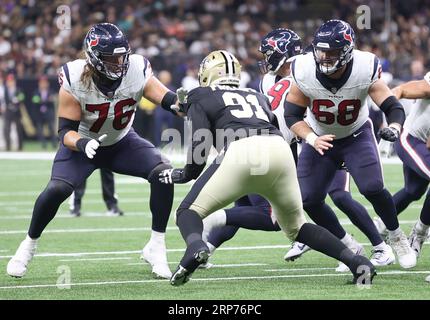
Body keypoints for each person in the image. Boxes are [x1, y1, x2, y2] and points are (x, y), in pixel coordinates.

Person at [158, 49, 375, 287]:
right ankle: (357, 263)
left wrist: (186, 173)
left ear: (208, 74)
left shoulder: (200, 94)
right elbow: (273, 127)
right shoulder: (257, 95)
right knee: (297, 227)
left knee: (187, 212)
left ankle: (196, 247)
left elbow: (200, 142)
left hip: (242, 151)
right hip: (278, 150)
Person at [203, 28, 394, 272]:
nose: (265, 59)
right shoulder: (268, 79)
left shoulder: (309, 69)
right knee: (275, 200)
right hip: (295, 146)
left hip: (328, 139)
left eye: (269, 53)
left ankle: (379, 246)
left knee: (339, 195)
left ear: (284, 52)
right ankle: (207, 248)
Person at [6, 23, 182, 280]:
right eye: (113, 59)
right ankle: (28, 245)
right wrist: (82, 144)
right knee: (58, 189)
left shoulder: (136, 68)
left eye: (123, 56)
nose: (120, 63)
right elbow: (65, 132)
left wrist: (184, 104)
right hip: (84, 145)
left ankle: (156, 246)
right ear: (95, 58)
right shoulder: (75, 77)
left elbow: (167, 98)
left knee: (163, 172)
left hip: (122, 142)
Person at [284, 19, 416, 269]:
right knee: (309, 199)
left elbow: (392, 106)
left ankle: (397, 237)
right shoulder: (303, 69)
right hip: (319, 137)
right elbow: (292, 115)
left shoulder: (364, 67)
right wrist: (311, 137)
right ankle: (350, 247)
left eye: (331, 52)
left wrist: (394, 127)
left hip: (356, 134)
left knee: (372, 187)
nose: (324, 57)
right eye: (321, 50)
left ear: (346, 51)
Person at [373, 72, 430, 265]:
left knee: (413, 191)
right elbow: (400, 90)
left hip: (425, 143)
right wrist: (391, 122)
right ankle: (419, 235)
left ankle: (381, 224)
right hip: (412, 139)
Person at [31, 76, 57, 150]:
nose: (43, 84)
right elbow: (35, 100)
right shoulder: (36, 92)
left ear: (47, 84)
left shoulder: (51, 91)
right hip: (39, 114)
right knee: (40, 129)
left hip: (49, 113)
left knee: (51, 129)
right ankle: (43, 144)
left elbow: (53, 99)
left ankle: (54, 143)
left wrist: (42, 101)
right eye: (41, 83)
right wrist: (45, 101)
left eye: (44, 83)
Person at [3, 73, 25, 151]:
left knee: (19, 129)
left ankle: (20, 147)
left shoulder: (18, 89)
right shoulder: (5, 90)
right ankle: (8, 146)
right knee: (6, 129)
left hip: (16, 112)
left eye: (11, 81)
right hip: (8, 112)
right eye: (9, 81)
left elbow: (22, 97)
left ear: (14, 81)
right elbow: (4, 100)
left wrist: (17, 99)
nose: (10, 82)